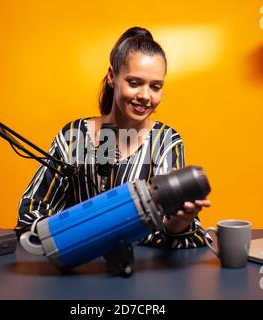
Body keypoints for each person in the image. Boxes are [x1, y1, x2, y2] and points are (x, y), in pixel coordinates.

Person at [18, 26, 211, 249]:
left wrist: (178, 223)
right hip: (79, 270)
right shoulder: (74, 137)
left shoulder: (166, 142)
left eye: (155, 86)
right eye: (134, 83)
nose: (145, 96)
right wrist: (77, 236)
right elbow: (31, 212)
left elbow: (178, 233)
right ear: (112, 77)